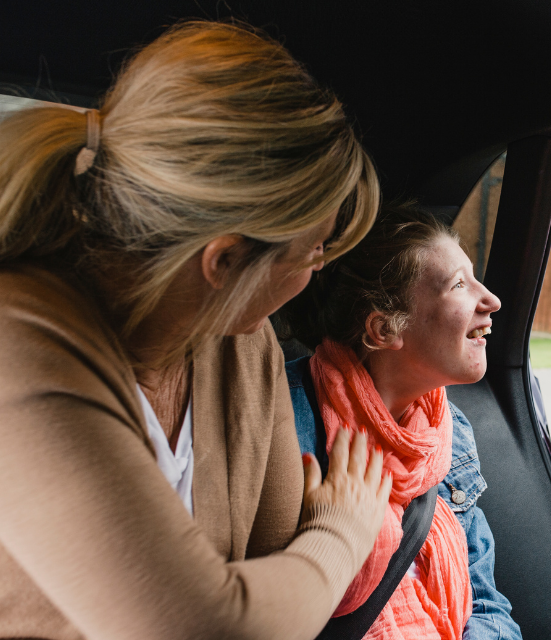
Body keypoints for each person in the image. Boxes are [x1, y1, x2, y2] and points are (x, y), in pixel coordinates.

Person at [0, 21, 393, 640]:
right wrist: (344, 529)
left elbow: (273, 558)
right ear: (226, 261)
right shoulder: (18, 349)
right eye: (314, 253)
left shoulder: (242, 341)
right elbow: (217, 627)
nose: (318, 273)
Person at [277, 205, 523, 640]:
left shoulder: (448, 429)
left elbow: (485, 604)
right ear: (384, 328)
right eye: (459, 285)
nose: (492, 300)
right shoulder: (284, 427)